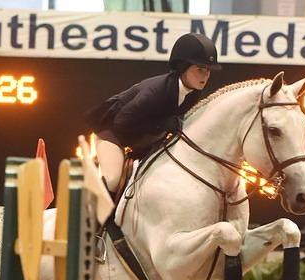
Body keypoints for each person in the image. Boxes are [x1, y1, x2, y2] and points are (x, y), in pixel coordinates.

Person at [85, 32, 221, 200]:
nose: (205, 76)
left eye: (208, 70)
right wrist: (162, 125)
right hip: (113, 134)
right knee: (113, 180)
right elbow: (122, 122)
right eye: (200, 69)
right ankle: (96, 224)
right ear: (182, 68)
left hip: (143, 140)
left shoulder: (193, 92)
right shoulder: (156, 91)